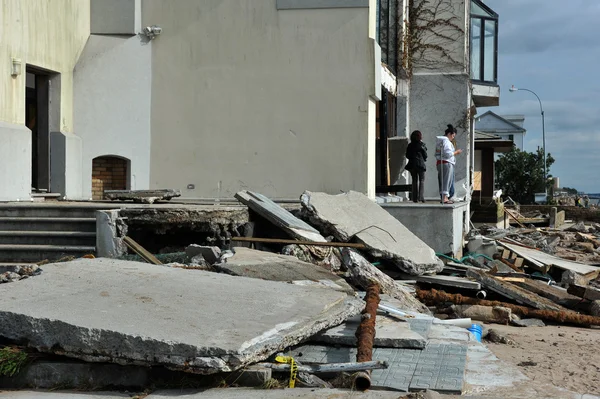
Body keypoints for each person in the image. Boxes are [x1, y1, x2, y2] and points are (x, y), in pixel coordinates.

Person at [435, 124, 462, 204]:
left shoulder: (440, 141)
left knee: (442, 180)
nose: (453, 138)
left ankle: (444, 197)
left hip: (440, 162)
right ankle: (445, 198)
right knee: (447, 181)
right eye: (453, 136)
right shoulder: (446, 141)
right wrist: (456, 152)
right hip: (447, 163)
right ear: (450, 134)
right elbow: (448, 154)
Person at [405, 130, 428, 203]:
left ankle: (414, 198)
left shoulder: (410, 145)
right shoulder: (422, 145)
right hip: (420, 164)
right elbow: (425, 155)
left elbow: (407, 155)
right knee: (422, 180)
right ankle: (421, 197)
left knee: (414, 180)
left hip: (412, 164)